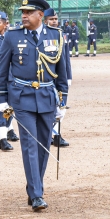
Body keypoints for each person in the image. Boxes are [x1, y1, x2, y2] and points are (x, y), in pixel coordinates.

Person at [0, 0, 69, 211]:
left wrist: (63, 101)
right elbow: (1, 70)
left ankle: (34, 188)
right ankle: (37, 194)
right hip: (22, 96)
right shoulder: (12, 36)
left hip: (47, 97)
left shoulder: (55, 36)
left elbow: (61, 72)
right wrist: (1, 100)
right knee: (29, 145)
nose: (24, 16)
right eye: (22, 13)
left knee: (44, 145)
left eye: (28, 13)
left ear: (40, 15)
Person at [44, 8, 72, 147]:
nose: (54, 22)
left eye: (56, 19)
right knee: (50, 108)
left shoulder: (61, 35)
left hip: (61, 77)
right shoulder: (42, 36)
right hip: (47, 78)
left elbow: (65, 58)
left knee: (61, 108)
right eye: (51, 19)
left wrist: (69, 76)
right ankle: (53, 135)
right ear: (45, 21)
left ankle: (53, 134)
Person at [0, 11, 17, 151]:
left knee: (11, 108)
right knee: (1, 109)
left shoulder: (11, 39)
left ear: (6, 24)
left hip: (12, 78)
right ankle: (2, 139)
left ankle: (2, 136)